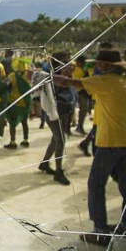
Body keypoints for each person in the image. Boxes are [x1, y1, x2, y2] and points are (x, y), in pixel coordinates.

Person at [54, 49, 126, 245]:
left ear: (106, 65)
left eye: (98, 63)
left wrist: (44, 77)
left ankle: (101, 231)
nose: (96, 66)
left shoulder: (104, 81)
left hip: (110, 142)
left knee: (96, 185)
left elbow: (68, 83)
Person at [39, 52, 74, 186]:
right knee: (60, 140)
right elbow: (51, 92)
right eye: (66, 61)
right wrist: (64, 76)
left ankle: (44, 163)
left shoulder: (65, 73)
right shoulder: (50, 74)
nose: (69, 63)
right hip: (53, 112)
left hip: (64, 110)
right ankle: (59, 172)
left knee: (56, 139)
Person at [4, 58, 32, 149]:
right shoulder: (28, 76)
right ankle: (25, 140)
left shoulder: (12, 75)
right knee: (25, 122)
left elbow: (7, 85)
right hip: (25, 102)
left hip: (14, 102)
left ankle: (13, 142)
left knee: (12, 123)